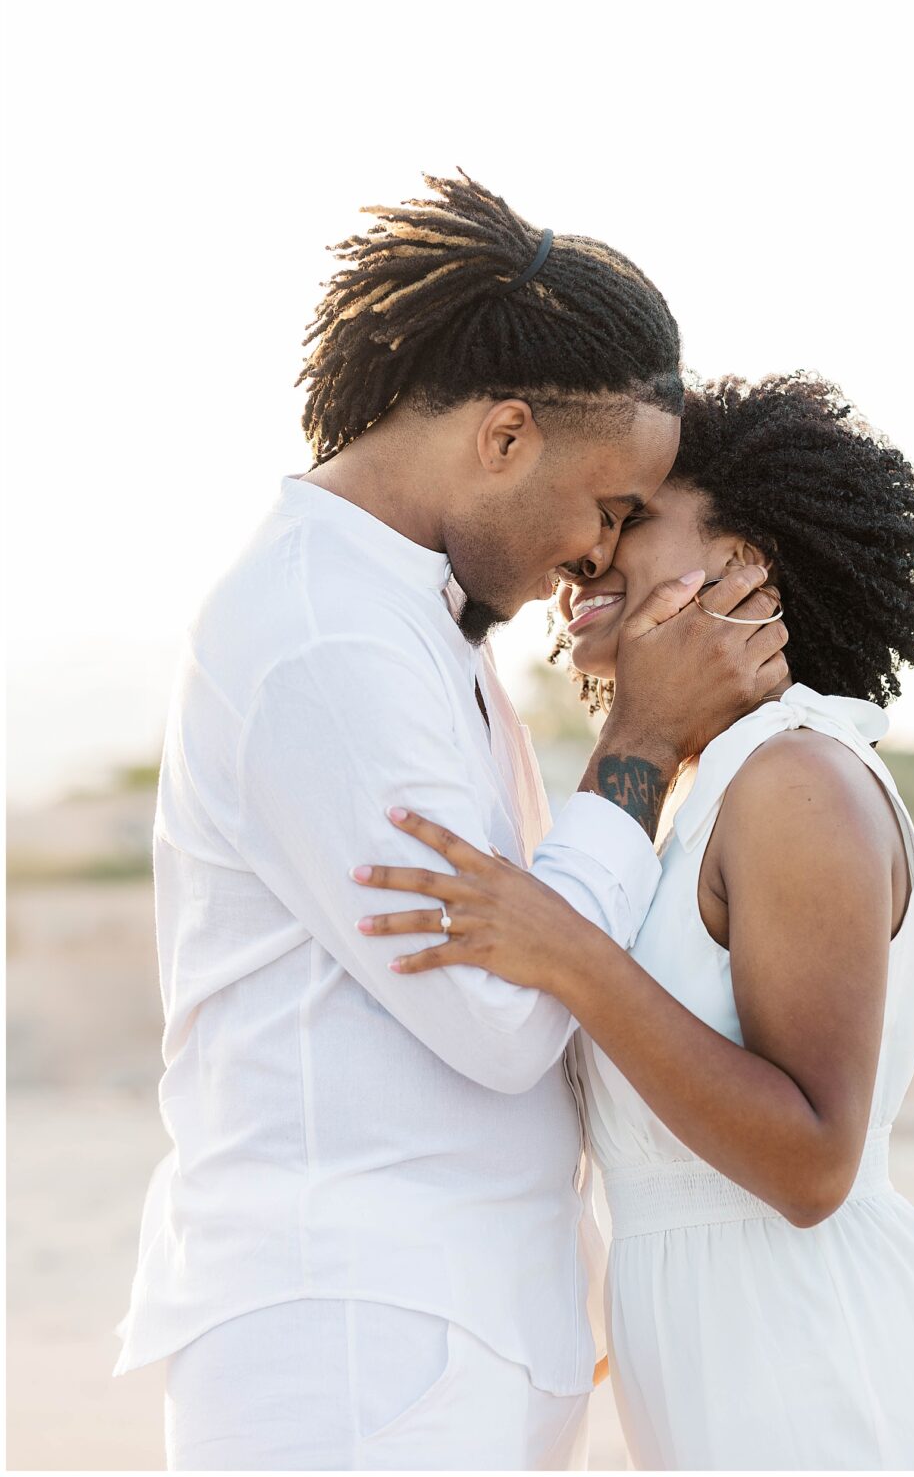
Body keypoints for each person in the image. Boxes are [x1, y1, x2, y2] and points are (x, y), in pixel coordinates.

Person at [113, 174, 789, 1472]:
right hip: (357, 1341)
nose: (597, 557)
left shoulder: (399, 625)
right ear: (502, 438)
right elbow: (497, 1014)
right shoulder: (322, 640)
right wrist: (638, 744)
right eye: (604, 508)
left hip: (429, 1329)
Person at [355, 372, 914, 1471]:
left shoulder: (796, 778)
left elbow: (812, 1163)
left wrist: (565, 951)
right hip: (731, 1385)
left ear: (746, 563)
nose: (587, 555)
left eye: (634, 521)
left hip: (837, 1385)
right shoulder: (696, 799)